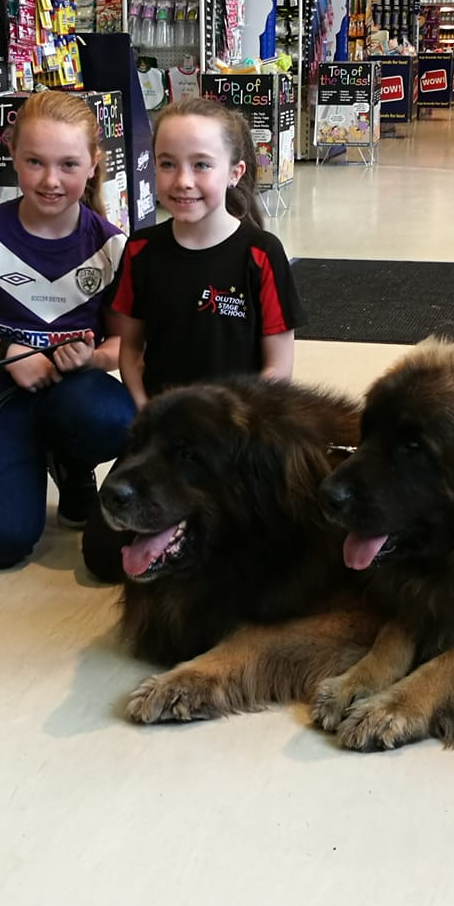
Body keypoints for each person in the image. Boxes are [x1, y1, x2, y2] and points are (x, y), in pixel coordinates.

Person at [80, 96, 306, 581]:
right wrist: (144, 409)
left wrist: (231, 435)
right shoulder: (141, 252)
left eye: (201, 165)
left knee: (262, 550)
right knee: (102, 558)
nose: (182, 181)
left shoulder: (261, 254)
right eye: (168, 164)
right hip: (162, 438)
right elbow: (131, 349)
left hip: (236, 440)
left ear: (234, 171)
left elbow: (278, 368)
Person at [0, 90, 136, 570]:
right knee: (1, 546)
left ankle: (71, 462)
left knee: (117, 421)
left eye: (68, 164)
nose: (50, 180)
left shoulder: (112, 246)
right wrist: (8, 352)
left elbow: (122, 342)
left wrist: (94, 358)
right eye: (35, 162)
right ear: (12, 156)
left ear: (92, 164)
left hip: (75, 393)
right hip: (0, 391)